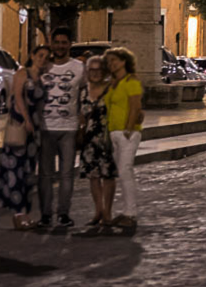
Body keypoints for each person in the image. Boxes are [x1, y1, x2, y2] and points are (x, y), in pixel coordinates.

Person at [38, 27, 84, 228]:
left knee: (66, 174)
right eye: (57, 42)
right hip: (45, 127)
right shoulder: (42, 66)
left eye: (64, 42)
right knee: (45, 175)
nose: (60, 46)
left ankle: (63, 214)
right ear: (51, 43)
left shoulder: (78, 68)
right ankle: (45, 215)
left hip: (69, 127)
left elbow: (86, 92)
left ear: (69, 44)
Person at [2, 44, 49, 230]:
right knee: (16, 171)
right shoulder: (22, 73)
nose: (43, 59)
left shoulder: (41, 78)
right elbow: (18, 98)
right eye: (40, 55)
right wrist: (27, 119)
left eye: (46, 56)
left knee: (29, 172)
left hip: (34, 129)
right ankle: (18, 214)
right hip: (21, 125)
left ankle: (26, 214)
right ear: (33, 55)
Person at [102, 47, 143, 230]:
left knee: (126, 171)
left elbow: (135, 106)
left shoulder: (131, 81)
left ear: (124, 61)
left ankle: (131, 214)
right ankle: (127, 211)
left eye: (115, 60)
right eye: (109, 61)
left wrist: (128, 128)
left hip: (127, 133)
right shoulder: (112, 83)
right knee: (122, 172)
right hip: (113, 132)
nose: (112, 64)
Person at [76, 56, 116, 228]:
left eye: (99, 70)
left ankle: (107, 211)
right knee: (93, 176)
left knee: (107, 175)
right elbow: (80, 113)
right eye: (91, 70)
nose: (95, 73)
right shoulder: (83, 91)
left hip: (106, 138)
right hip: (89, 139)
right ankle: (98, 210)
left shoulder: (111, 89)